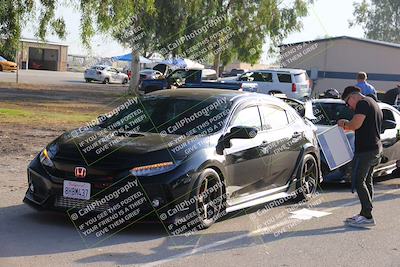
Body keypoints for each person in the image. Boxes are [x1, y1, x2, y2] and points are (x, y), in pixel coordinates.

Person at [337, 86, 382, 228]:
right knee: (367, 181)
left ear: (353, 96)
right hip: (375, 148)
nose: (349, 106)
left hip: (366, 151)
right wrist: (348, 124)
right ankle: (365, 213)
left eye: (347, 102)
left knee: (358, 181)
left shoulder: (362, 103)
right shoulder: (372, 102)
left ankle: (367, 216)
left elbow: (355, 124)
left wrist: (343, 123)